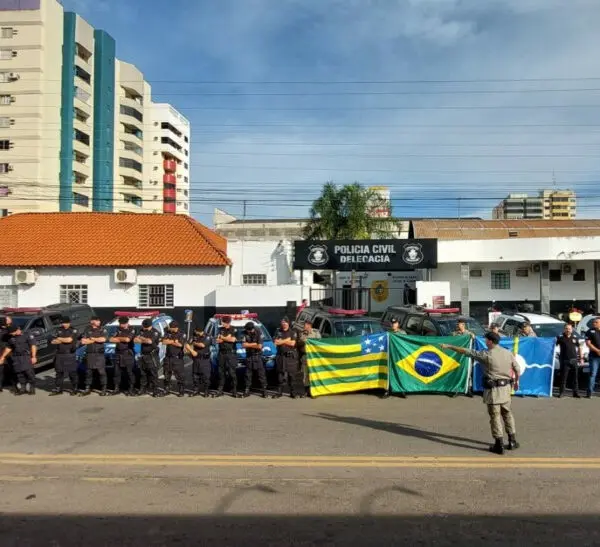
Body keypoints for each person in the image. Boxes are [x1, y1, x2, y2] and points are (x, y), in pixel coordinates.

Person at [442, 332, 520, 455]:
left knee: (495, 417)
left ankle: (499, 444)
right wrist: (516, 381)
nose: (485, 341)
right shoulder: (507, 353)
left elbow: (467, 352)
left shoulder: (487, 354)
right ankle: (512, 440)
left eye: (486, 340)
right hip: (506, 390)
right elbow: (517, 368)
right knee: (507, 414)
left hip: (493, 391)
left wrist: (449, 346)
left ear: (490, 341)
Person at [0, 325, 37, 395]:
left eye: (12, 333)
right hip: (16, 358)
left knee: (29, 373)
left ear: (17, 330)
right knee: (19, 373)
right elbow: (9, 348)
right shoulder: (11, 338)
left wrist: (34, 356)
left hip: (25, 356)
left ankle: (32, 387)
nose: (12, 334)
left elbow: (33, 346)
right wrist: (2, 357)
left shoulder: (27, 335)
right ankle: (23, 388)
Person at [49, 316, 79, 396]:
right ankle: (58, 389)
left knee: (72, 372)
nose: (64, 324)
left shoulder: (73, 330)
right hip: (59, 354)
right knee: (59, 372)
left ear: (69, 322)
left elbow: (69, 340)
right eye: (63, 323)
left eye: (65, 323)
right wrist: (62, 340)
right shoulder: (58, 330)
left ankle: (75, 388)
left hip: (69, 353)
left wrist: (59, 339)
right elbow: (53, 341)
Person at [274, 317, 302, 399]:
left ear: (288, 323)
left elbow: (293, 343)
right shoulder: (278, 331)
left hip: (290, 357)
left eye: (285, 322)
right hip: (281, 356)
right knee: (280, 375)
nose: (284, 324)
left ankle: (293, 393)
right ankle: (279, 393)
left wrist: (282, 341)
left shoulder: (293, 332)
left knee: (292, 376)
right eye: (282, 322)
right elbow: (275, 342)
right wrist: (287, 340)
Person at [80, 316, 108, 396]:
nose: (99, 322)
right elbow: (83, 341)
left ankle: (104, 389)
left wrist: (92, 339)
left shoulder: (102, 329)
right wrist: (95, 339)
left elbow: (103, 339)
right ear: (92, 321)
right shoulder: (87, 329)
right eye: (97, 320)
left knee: (101, 372)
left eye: (99, 320)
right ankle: (87, 388)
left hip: (99, 354)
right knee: (89, 372)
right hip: (90, 353)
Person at [109, 316, 136, 396]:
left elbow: (128, 339)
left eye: (122, 324)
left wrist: (118, 338)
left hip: (128, 354)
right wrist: (121, 338)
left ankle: (131, 389)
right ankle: (116, 388)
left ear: (127, 323)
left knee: (129, 372)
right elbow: (111, 339)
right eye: (120, 323)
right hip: (118, 353)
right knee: (117, 372)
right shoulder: (117, 329)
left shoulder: (132, 329)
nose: (121, 325)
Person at [134, 319, 161, 397]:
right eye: (144, 326)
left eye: (146, 327)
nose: (144, 328)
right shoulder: (141, 330)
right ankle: (142, 389)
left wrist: (141, 339)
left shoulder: (155, 332)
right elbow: (135, 340)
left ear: (150, 326)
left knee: (153, 374)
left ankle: (155, 390)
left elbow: (150, 342)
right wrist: (144, 339)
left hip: (152, 355)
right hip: (143, 355)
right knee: (143, 373)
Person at [556, 323, 583, 398]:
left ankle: (575, 393)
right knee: (563, 378)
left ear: (572, 329)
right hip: (565, 360)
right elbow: (552, 346)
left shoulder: (575, 337)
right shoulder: (560, 337)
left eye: (569, 329)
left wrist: (581, 358)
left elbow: (580, 348)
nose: (568, 330)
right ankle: (561, 393)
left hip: (574, 360)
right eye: (566, 328)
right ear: (564, 329)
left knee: (575, 378)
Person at [161, 321, 187, 397]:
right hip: (168, 357)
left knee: (180, 375)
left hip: (177, 358)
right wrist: (173, 341)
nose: (170, 329)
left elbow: (180, 345)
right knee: (166, 374)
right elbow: (163, 342)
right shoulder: (168, 332)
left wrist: (170, 341)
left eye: (171, 328)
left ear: (175, 328)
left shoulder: (182, 333)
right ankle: (167, 389)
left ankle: (181, 390)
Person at [215, 316, 239, 398]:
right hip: (222, 354)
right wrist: (226, 338)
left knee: (232, 373)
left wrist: (223, 338)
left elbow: (232, 340)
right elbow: (217, 340)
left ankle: (234, 390)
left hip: (230, 354)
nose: (222, 323)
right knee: (221, 372)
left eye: (223, 322)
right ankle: (220, 390)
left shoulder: (234, 329)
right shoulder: (220, 329)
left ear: (227, 322)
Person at [242, 322, 267, 398]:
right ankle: (247, 390)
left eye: (248, 330)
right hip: (249, 356)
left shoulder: (259, 332)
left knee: (261, 374)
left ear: (251, 329)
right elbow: (243, 345)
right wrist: (254, 344)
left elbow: (259, 346)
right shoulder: (244, 333)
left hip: (257, 356)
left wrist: (249, 345)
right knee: (248, 374)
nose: (247, 331)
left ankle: (264, 390)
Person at [186, 326, 213, 398]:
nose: (195, 332)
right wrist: (191, 351)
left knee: (205, 376)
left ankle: (206, 390)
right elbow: (187, 344)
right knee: (195, 375)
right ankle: (196, 390)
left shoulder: (207, 336)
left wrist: (194, 343)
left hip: (204, 359)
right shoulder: (194, 336)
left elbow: (202, 345)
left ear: (198, 331)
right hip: (196, 359)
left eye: (196, 331)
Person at [297, 319, 321, 397]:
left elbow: (319, 343)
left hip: (314, 357)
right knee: (305, 374)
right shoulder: (302, 333)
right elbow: (299, 343)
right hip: (306, 356)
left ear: (309, 325)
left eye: (306, 325)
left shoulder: (316, 333)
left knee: (314, 374)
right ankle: (306, 391)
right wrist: (304, 338)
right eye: (304, 325)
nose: (304, 326)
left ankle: (314, 391)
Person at [585, 317, 600, 398]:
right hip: (594, 356)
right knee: (593, 374)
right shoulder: (590, 331)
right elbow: (588, 343)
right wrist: (597, 350)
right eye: (594, 322)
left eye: (596, 322)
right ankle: (589, 392)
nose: (594, 323)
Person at [0, 316, 12, 393]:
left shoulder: (6, 330)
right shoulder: (7, 331)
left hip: (5, 351)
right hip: (6, 351)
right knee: (4, 369)